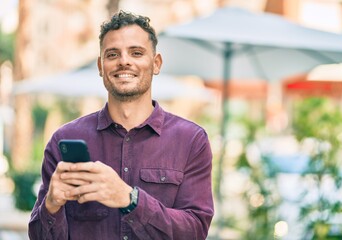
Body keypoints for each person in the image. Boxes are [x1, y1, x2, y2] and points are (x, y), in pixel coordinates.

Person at [28, 10, 214, 240]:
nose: (124, 61)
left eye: (136, 53)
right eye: (113, 54)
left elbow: (195, 231)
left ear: (156, 63)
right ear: (100, 66)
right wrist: (52, 205)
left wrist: (130, 199)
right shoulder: (63, 139)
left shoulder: (191, 140)